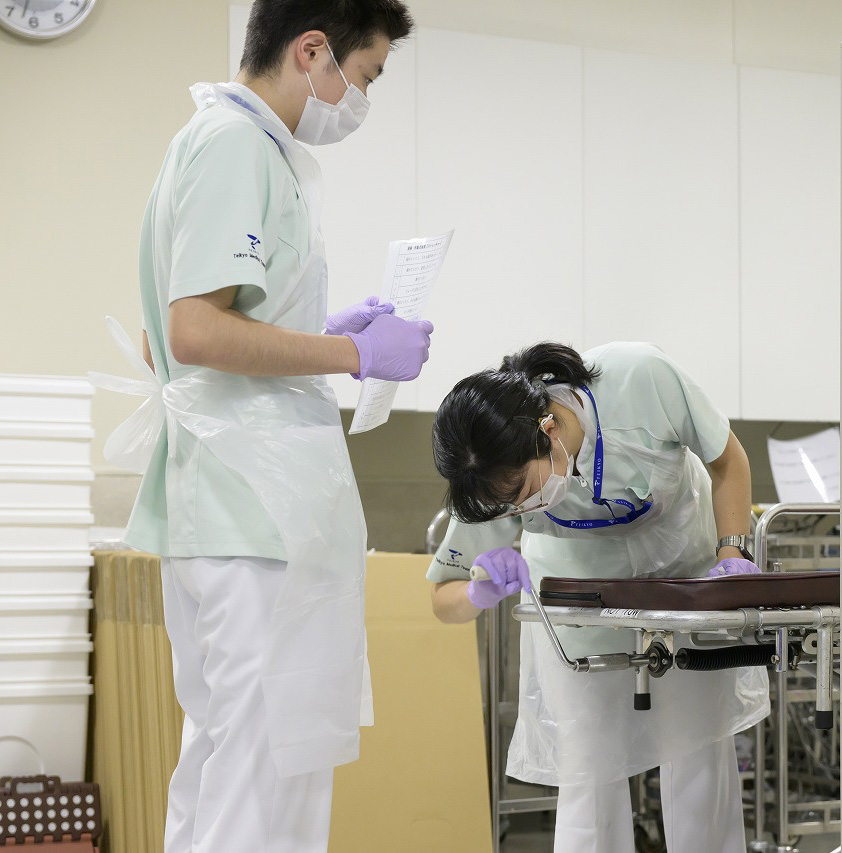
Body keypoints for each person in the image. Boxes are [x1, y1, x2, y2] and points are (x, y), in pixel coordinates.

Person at [109, 2, 428, 850]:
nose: (361, 100)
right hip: (249, 507)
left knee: (228, 766)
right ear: (312, 50)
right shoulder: (236, 146)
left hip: (230, 501)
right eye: (364, 76)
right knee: (261, 777)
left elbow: (159, 334)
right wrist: (350, 354)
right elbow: (191, 332)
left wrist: (319, 329)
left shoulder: (226, 145)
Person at [427, 341, 770, 853]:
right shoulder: (490, 480)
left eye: (523, 493)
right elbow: (442, 599)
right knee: (588, 768)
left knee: (698, 748)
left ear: (548, 430)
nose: (519, 509)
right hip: (582, 606)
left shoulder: (639, 379)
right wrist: (479, 590)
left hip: (687, 580)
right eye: (508, 506)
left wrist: (731, 551)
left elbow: (727, 460)